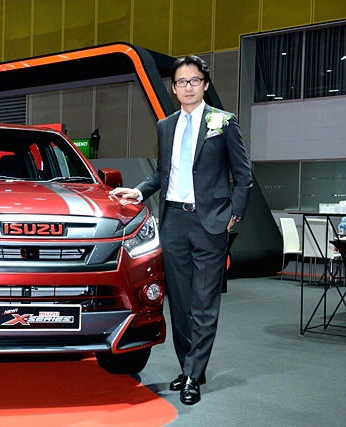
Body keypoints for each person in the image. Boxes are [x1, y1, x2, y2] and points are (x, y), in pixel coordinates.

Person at [109, 55, 252, 405]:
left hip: (210, 223)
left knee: (204, 304)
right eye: (181, 82)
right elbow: (163, 172)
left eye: (194, 80)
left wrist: (234, 214)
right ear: (173, 88)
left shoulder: (223, 122)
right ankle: (190, 368)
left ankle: (193, 374)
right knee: (181, 304)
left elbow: (243, 175)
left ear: (205, 84)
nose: (188, 87)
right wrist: (139, 191)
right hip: (173, 222)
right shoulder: (166, 125)